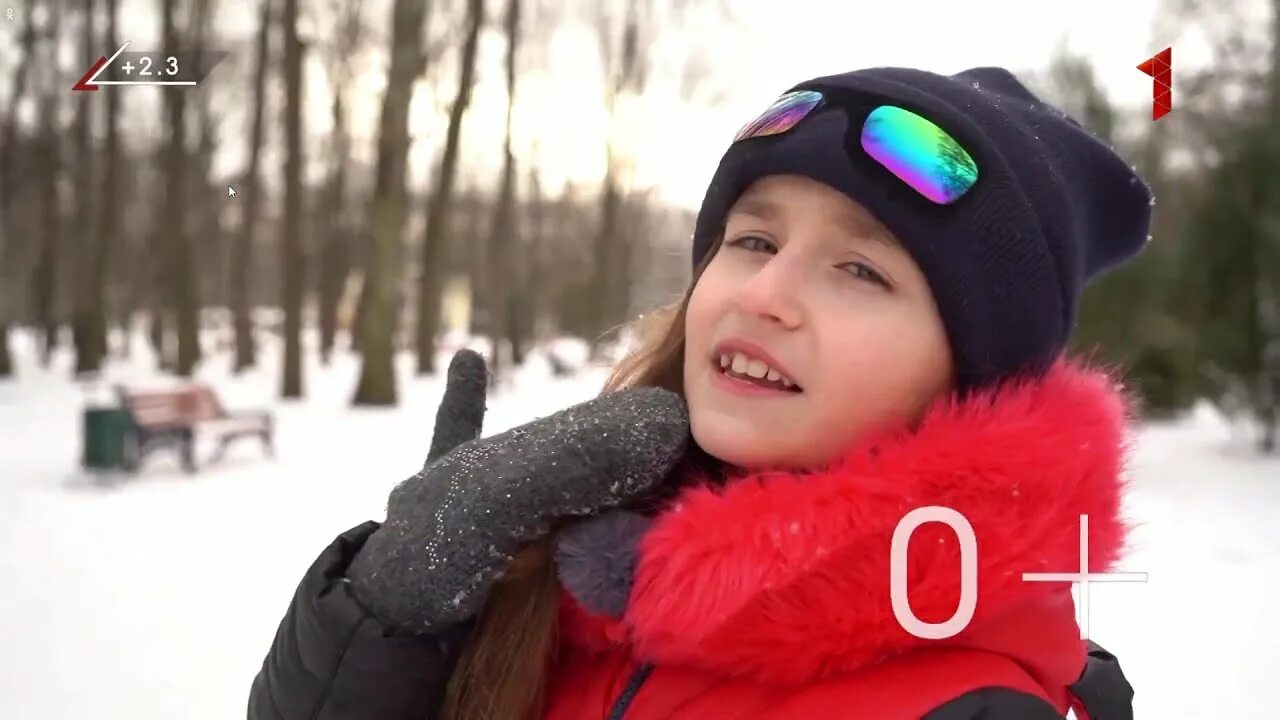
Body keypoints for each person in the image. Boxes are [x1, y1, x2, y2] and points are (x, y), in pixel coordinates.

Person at [248, 64, 1150, 720]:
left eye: (860, 270)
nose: (762, 295)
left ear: (973, 379)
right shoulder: (582, 583)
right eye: (753, 241)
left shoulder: (965, 706)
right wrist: (391, 621)